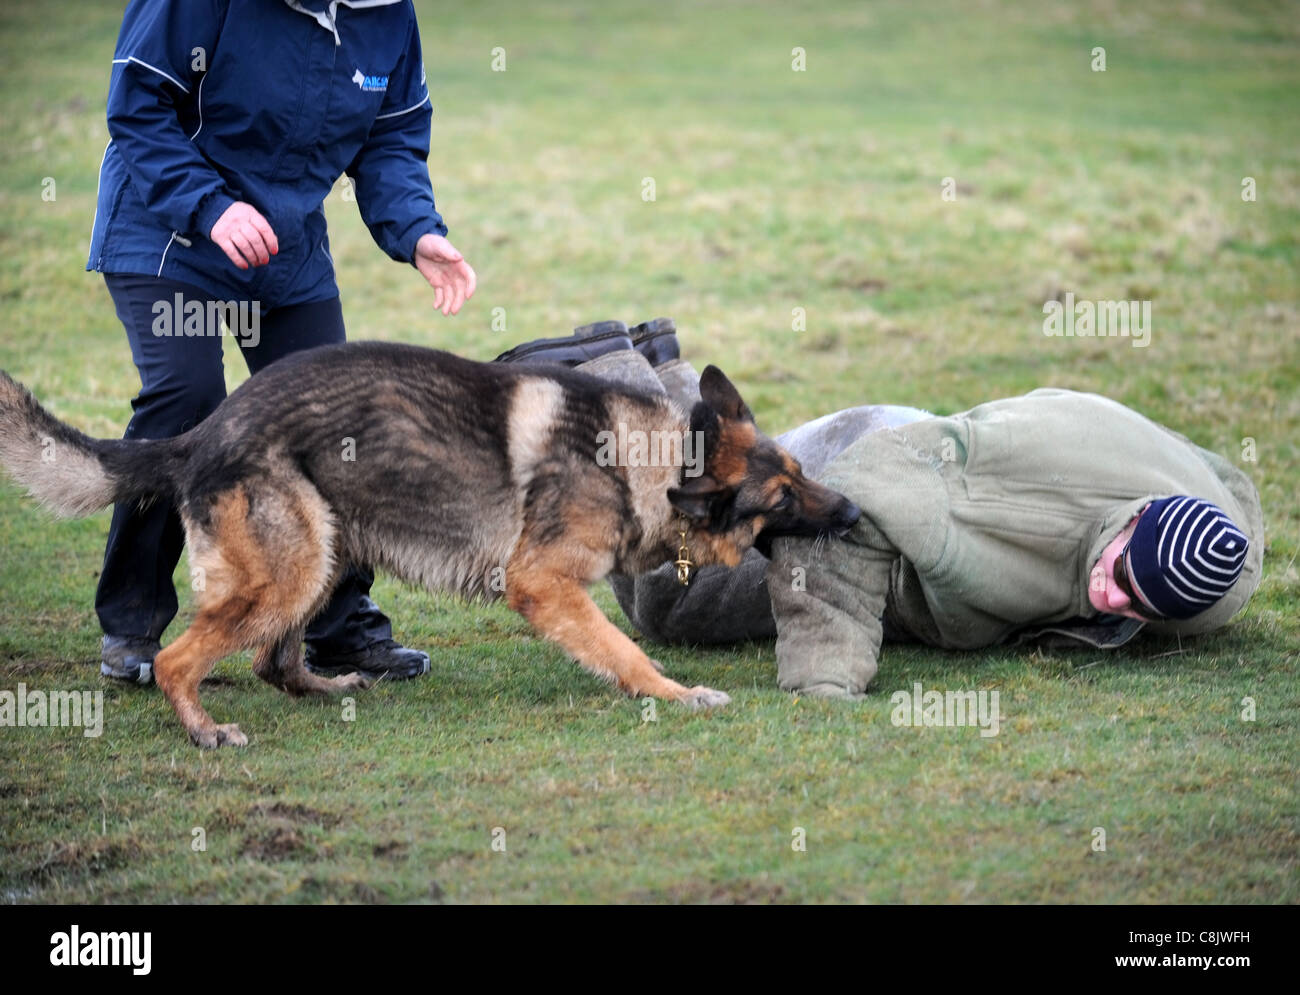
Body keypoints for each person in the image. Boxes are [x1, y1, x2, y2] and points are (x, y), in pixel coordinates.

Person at [497, 322, 1264, 699]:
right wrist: (824, 677)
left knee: (711, 499)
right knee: (673, 586)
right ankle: (603, 370)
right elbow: (847, 543)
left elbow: (1222, 510)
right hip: (878, 466)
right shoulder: (973, 514)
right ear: (1134, 523)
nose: (1113, 601)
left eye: (1137, 603)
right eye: (1120, 575)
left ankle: (658, 356)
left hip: (920, 433)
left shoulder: (1200, 535)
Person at [89, 0, 476, 684]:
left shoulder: (388, 15)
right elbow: (138, 107)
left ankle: (340, 626)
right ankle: (132, 623)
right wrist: (209, 206)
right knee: (189, 399)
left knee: (336, 424)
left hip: (283, 250)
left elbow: (390, 139)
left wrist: (416, 228)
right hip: (166, 233)